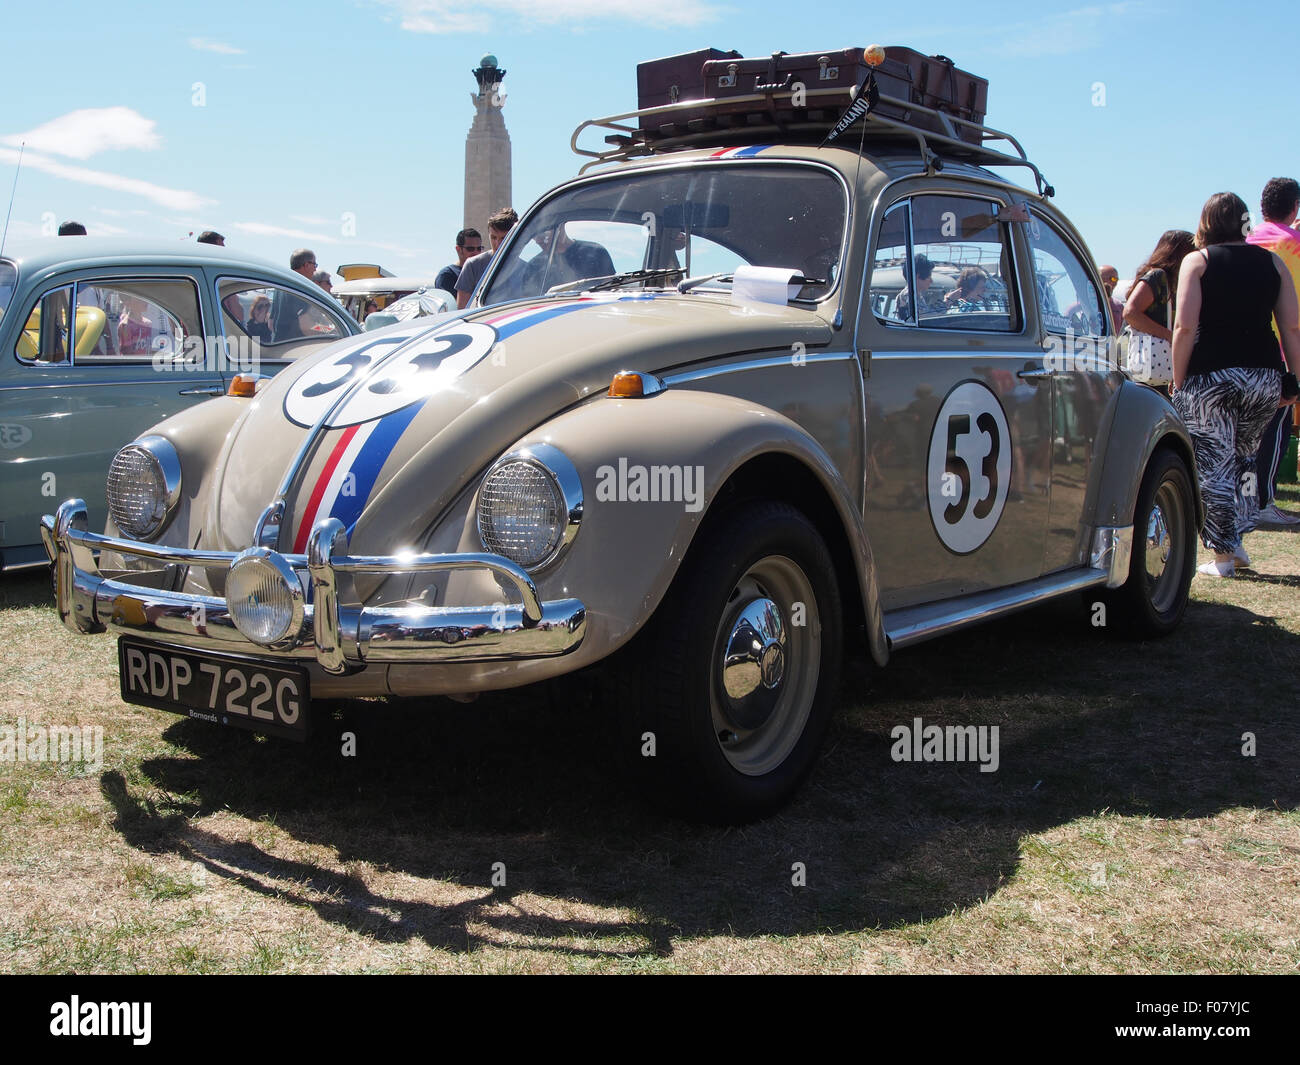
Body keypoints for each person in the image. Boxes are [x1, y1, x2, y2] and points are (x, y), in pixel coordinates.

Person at [1171, 192, 1300, 577]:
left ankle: (1224, 556)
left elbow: (1184, 326)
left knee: (1211, 462)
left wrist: (1179, 381)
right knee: (1244, 460)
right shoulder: (1273, 263)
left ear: (1206, 222)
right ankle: (1238, 539)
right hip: (1263, 376)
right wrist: (1294, 379)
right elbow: (1292, 327)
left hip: (1211, 376)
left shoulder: (1198, 261)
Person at [1244, 177, 1300, 526]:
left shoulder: (1244, 242)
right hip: (1282, 350)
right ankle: (1263, 502)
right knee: (1275, 428)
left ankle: (1247, 501)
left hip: (1243, 349)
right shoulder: (1295, 244)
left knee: (1248, 431)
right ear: (1294, 207)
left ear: (1262, 207)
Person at [520, 223, 615, 295]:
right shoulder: (534, 266)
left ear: (561, 226)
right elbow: (529, 303)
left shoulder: (595, 252)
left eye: (542, 233)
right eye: (534, 236)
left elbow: (611, 289)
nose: (537, 240)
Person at [457, 208, 517, 309]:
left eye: (503, 238)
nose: (497, 244)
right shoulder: (472, 265)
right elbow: (462, 310)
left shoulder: (526, 269)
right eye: (493, 237)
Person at [435, 228, 483, 297]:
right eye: (470, 249)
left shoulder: (485, 272)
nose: (476, 252)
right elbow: (451, 305)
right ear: (458, 249)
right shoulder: (447, 275)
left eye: (479, 248)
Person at [895, 253, 933, 322]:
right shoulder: (908, 295)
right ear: (918, 276)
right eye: (928, 276)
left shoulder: (916, 295)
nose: (931, 281)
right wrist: (948, 301)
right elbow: (926, 318)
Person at [1098, 263, 1125, 333]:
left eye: (1116, 280)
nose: (1115, 283)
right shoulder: (1082, 305)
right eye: (1113, 279)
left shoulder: (1119, 306)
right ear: (1099, 279)